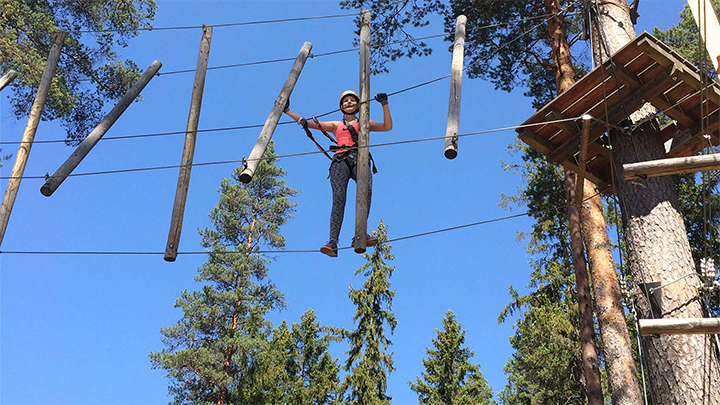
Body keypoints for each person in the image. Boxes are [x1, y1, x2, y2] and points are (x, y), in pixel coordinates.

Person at [284, 90, 393, 257]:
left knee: (365, 192)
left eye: (352, 100)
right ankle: (333, 241)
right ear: (341, 106)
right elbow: (307, 123)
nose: (349, 102)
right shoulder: (336, 125)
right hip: (340, 161)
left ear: (358, 105)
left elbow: (387, 127)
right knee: (338, 199)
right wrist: (287, 111)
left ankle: (360, 234)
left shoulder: (365, 123)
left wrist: (384, 104)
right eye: (345, 101)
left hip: (360, 159)